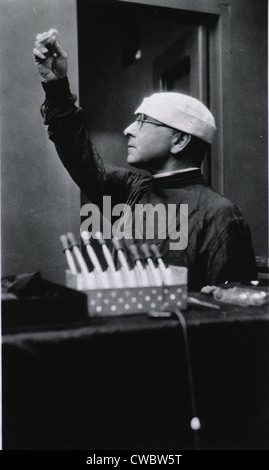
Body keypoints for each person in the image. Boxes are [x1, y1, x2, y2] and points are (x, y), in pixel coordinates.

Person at [33, 30, 257, 291]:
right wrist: (56, 84)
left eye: (142, 121)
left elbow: (236, 314)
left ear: (179, 140)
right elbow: (79, 157)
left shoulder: (220, 214)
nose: (129, 129)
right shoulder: (133, 190)